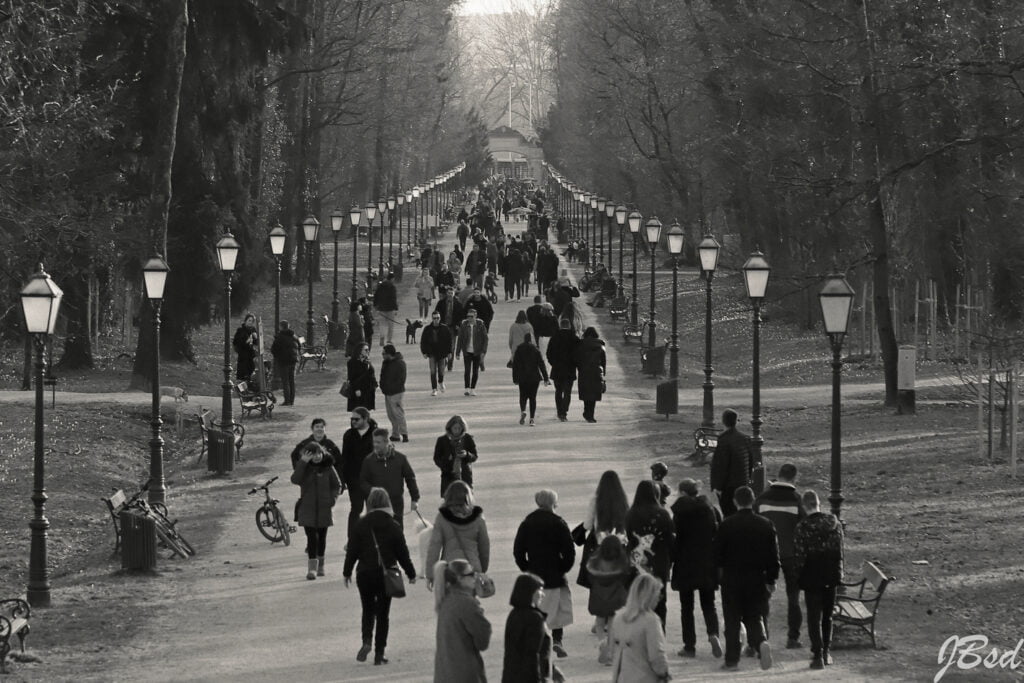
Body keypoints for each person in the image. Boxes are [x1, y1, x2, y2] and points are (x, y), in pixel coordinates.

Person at [342, 487, 417, 666]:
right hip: (386, 574)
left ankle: (366, 640)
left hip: (365, 573)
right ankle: (379, 653)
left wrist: (347, 572)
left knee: (368, 610)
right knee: (383, 614)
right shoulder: (393, 525)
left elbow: (352, 550)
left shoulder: (360, 524)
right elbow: (402, 552)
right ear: (387, 502)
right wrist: (411, 572)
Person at [714, 485, 780, 671]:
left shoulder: (726, 525)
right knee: (754, 616)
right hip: (757, 578)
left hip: (732, 578)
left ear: (735, 501)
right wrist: (771, 579)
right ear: (753, 500)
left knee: (732, 620)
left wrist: (719, 577)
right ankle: (760, 642)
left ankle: (732, 660)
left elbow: (717, 554)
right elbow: (773, 557)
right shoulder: (766, 525)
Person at [513, 489, 576, 658]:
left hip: (534, 572)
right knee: (557, 609)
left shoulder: (527, 523)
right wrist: (562, 568)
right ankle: (557, 640)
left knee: (537, 609)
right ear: (554, 503)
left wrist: (526, 568)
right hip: (555, 573)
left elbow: (518, 551)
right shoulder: (559, 523)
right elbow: (569, 552)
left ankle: (539, 641)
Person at [754, 463, 806, 650]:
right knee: (793, 597)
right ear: (794, 478)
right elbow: (803, 527)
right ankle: (793, 637)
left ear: (778, 475)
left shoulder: (763, 498)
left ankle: (762, 635)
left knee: (763, 596)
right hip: (790, 553)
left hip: (765, 553)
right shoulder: (796, 500)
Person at [670, 478, 723, 659]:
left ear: (683, 492)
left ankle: (689, 646)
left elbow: (674, 539)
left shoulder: (679, 513)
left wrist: (672, 560)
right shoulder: (711, 509)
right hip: (707, 563)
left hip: (685, 565)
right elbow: (719, 533)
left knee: (687, 608)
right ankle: (713, 633)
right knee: (709, 604)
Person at [793, 489, 844, 669]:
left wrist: (797, 576)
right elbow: (839, 550)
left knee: (814, 616)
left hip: (811, 574)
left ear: (804, 506)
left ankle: (817, 654)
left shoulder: (802, 527)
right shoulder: (834, 523)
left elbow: (799, 555)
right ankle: (826, 651)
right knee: (827, 616)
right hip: (830, 574)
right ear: (818, 503)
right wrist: (839, 573)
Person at [434, 558, 492, 683]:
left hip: (445, 672)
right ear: (459, 578)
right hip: (463, 673)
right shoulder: (466, 603)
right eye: (471, 574)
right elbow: (482, 641)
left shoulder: (446, 600)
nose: (475, 576)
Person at [625, 480, 675, 627]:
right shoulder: (663, 514)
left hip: (637, 562)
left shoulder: (631, 514)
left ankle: (639, 636)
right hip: (659, 562)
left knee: (638, 600)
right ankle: (659, 634)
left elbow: (629, 538)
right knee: (659, 600)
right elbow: (670, 539)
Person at [290, 442, 342, 580]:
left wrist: (332, 500)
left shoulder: (328, 467)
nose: (318, 456)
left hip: (324, 509)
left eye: (319, 453)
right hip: (307, 509)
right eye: (314, 454)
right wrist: (302, 463)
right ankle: (312, 568)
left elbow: (337, 486)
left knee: (322, 538)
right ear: (308, 456)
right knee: (312, 538)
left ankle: (321, 566)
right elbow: (295, 480)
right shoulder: (304, 468)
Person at [607, 573, 671, 683]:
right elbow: (656, 655)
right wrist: (664, 673)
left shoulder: (618, 618)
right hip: (644, 678)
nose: (658, 600)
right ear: (649, 596)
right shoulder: (650, 620)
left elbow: (612, 651)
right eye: (658, 595)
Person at [503, 573, 565, 683]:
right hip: (530, 677)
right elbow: (532, 654)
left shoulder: (513, 615)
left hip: (511, 676)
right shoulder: (534, 618)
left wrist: (552, 668)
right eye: (540, 590)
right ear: (530, 592)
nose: (543, 594)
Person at [577, 470, 630, 594]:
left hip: (599, 545)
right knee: (618, 581)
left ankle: (601, 607)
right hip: (619, 544)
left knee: (599, 580)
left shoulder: (596, 500)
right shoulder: (622, 501)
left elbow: (588, 525)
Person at [425, 481, 490, 579]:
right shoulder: (478, 518)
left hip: (449, 569)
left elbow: (434, 547)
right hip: (472, 568)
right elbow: (484, 546)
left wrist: (431, 574)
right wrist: (482, 568)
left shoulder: (442, 518)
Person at [359, 428, 420, 528]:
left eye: (378, 442)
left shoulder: (400, 459)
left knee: (397, 531)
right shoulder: (368, 460)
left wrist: (415, 499)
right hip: (376, 505)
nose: (375, 445)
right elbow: (363, 481)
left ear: (387, 442)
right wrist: (372, 490)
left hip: (396, 503)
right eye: (374, 442)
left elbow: (410, 478)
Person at [586, 535, 635, 637]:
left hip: (598, 596)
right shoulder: (621, 562)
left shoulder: (595, 561)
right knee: (612, 624)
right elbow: (626, 577)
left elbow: (589, 576)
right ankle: (611, 644)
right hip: (616, 596)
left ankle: (601, 643)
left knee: (599, 623)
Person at [340, 408, 377, 540]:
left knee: (372, 509)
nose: (353, 421)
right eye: (352, 419)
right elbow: (344, 458)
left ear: (366, 419)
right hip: (354, 479)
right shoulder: (349, 435)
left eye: (356, 419)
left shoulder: (376, 434)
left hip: (372, 480)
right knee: (356, 508)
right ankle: (352, 540)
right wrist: (342, 479)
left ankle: (374, 539)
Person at [710, 409, 752, 517]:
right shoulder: (744, 438)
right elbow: (751, 460)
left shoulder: (724, 439)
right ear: (736, 421)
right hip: (743, 482)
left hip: (729, 486)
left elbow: (721, 465)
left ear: (723, 421)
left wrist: (717, 486)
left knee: (728, 514)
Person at [433, 415, 478, 497]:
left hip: (465, 475)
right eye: (455, 428)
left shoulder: (468, 439)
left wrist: (466, 454)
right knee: (449, 501)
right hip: (448, 476)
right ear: (450, 427)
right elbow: (436, 458)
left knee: (465, 500)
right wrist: (445, 463)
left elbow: (474, 456)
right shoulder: (442, 440)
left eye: (459, 428)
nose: (457, 431)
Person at [512, 333, 550, 426]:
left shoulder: (519, 349)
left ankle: (523, 411)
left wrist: (515, 378)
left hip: (522, 377)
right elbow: (541, 365)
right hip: (534, 377)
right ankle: (532, 419)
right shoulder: (535, 350)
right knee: (533, 398)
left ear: (524, 339)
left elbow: (515, 365)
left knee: (523, 396)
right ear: (531, 340)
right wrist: (546, 378)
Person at [546, 318, 578, 422]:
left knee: (558, 391)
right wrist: (575, 364)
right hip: (570, 369)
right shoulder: (574, 338)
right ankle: (564, 411)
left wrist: (553, 363)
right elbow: (579, 353)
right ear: (569, 325)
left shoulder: (554, 337)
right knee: (567, 392)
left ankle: (559, 411)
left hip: (557, 368)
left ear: (560, 325)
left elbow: (548, 353)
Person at [574, 326, 606, 423]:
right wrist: (603, 371)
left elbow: (577, 358)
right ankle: (590, 415)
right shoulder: (600, 345)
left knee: (586, 392)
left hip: (584, 371)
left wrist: (578, 367)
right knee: (594, 393)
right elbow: (603, 360)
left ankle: (586, 412)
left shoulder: (580, 344)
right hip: (595, 370)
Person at [455, 307, 488, 396]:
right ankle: (467, 388)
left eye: (471, 316)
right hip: (467, 351)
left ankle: (473, 388)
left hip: (477, 351)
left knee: (475, 371)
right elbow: (460, 339)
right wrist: (457, 352)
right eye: (468, 316)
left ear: (475, 316)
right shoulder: (464, 325)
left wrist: (483, 351)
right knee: (467, 370)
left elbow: (485, 339)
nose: (469, 318)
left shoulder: (480, 325)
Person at [379, 344, 408, 443]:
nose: (382, 355)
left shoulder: (400, 363)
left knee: (398, 413)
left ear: (389, 354)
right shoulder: (385, 363)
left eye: (384, 353)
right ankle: (395, 434)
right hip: (387, 392)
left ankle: (404, 434)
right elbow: (382, 375)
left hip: (396, 392)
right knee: (391, 414)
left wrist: (393, 387)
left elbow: (401, 379)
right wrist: (383, 387)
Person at [420, 311, 454, 396]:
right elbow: (423, 341)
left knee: (441, 371)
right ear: (432, 319)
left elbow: (449, 341)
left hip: (442, 353)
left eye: (438, 318)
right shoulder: (427, 329)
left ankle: (441, 381)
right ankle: (434, 389)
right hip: (432, 353)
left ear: (440, 318)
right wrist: (424, 352)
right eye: (434, 318)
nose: (436, 320)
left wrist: (450, 352)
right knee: (432, 371)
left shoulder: (445, 328)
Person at [269, 320, 300, 405]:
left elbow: (273, 349)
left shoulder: (279, 337)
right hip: (293, 360)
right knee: (291, 381)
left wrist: (277, 357)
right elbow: (299, 345)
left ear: (281, 327)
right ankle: (291, 400)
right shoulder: (294, 336)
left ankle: (287, 401)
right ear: (288, 326)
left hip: (283, 361)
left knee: (285, 381)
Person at [345, 342, 377, 413]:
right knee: (357, 411)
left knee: (366, 412)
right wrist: (356, 389)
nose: (367, 351)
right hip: (358, 389)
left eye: (368, 350)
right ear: (359, 350)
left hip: (368, 389)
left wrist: (374, 384)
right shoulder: (352, 362)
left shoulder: (367, 361)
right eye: (365, 350)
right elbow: (351, 377)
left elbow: (371, 373)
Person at [373, 273, 399, 346]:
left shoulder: (380, 286)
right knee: (390, 326)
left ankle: (382, 338)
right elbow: (394, 298)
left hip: (381, 308)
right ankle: (389, 340)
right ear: (392, 279)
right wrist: (396, 308)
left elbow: (376, 296)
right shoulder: (392, 287)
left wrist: (375, 305)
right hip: (390, 308)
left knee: (382, 325)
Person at [232, 313, 259, 381]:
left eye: (252, 321)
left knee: (250, 376)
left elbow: (257, 343)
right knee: (242, 376)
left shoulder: (253, 330)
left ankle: (248, 389)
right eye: (249, 320)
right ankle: (242, 390)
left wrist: (256, 338)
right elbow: (236, 342)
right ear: (245, 321)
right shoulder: (240, 330)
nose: (250, 322)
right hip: (243, 356)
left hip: (251, 356)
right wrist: (246, 342)